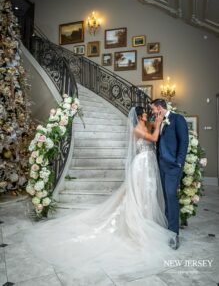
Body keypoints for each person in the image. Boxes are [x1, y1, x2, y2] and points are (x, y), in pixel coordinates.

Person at [25, 106, 177, 277]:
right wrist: (157, 123)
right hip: (141, 165)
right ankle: (139, 222)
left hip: (149, 164)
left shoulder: (146, 125)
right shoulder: (137, 129)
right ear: (140, 116)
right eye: (144, 113)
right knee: (140, 194)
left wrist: (158, 121)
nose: (147, 115)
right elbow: (154, 138)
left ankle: (148, 218)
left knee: (148, 194)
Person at [150, 99, 189, 250]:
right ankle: (168, 229)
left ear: (159, 108)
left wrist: (179, 162)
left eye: (153, 109)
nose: (152, 112)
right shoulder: (158, 121)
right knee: (166, 197)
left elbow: (184, 142)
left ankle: (174, 234)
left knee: (171, 196)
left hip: (173, 166)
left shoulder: (177, 119)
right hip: (161, 165)